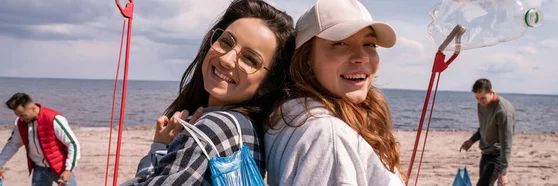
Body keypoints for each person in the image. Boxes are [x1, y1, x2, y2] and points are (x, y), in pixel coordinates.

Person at [121, 0, 295, 185]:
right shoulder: (248, 128)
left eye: (250, 59)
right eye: (226, 42)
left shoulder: (217, 127)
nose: (226, 60)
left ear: (269, 84)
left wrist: (159, 148)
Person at [264, 0, 406, 185]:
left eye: (370, 44)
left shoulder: (288, 114)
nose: (361, 57)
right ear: (306, 57)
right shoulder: (328, 137)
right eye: (340, 43)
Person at [0, 93, 80, 185]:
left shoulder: (54, 119)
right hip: (39, 169)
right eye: (18, 115)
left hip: (59, 168)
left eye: (22, 115)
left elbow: (73, 143)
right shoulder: (20, 122)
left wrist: (69, 169)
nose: (20, 119)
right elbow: (13, 144)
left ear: (33, 108)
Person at [460, 78, 515, 186]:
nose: (480, 101)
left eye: (483, 98)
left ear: (491, 92)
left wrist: (503, 172)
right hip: (485, 154)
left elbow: (506, 143)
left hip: (497, 157)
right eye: (477, 98)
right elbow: (484, 127)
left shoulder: (503, 111)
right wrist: (472, 140)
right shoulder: (481, 105)